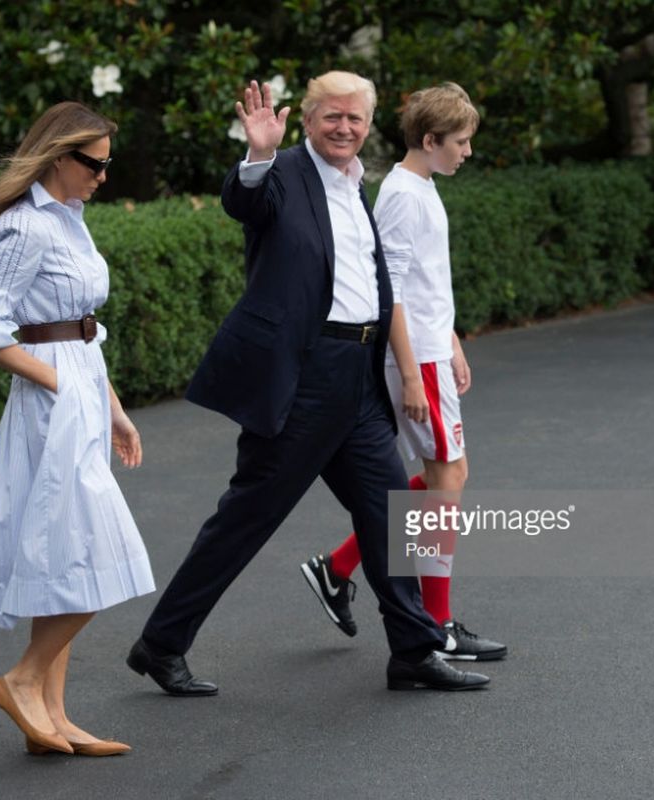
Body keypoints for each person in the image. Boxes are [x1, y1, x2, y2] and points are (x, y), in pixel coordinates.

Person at [126, 72, 489, 695]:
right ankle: (161, 644)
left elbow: (378, 281)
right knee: (248, 517)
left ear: (368, 125)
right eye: (331, 117)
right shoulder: (284, 174)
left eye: (354, 118)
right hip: (304, 379)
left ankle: (413, 650)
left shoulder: (357, 186)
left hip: (359, 378)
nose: (343, 128)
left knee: (389, 515)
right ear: (309, 120)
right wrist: (260, 152)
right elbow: (245, 203)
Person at [0, 101, 154, 756]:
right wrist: (63, 386)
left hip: (82, 389)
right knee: (98, 552)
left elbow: (83, 327)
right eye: (94, 164)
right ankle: (23, 679)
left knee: (65, 556)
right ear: (60, 157)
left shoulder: (72, 220)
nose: (102, 177)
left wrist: (112, 406)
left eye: (107, 164)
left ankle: (53, 718)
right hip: (52, 402)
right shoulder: (24, 227)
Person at [300, 83, 507, 663]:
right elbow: (387, 291)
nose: (467, 151)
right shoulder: (402, 195)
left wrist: (454, 341)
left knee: (444, 478)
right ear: (430, 139)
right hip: (414, 360)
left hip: (431, 352)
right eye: (461, 142)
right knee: (448, 480)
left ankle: (338, 568)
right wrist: (414, 374)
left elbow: (424, 286)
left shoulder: (420, 186)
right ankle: (436, 623)